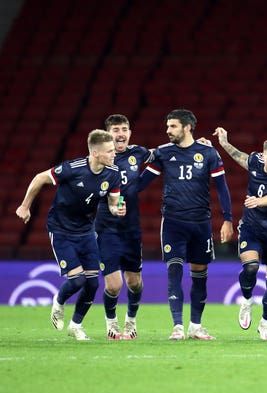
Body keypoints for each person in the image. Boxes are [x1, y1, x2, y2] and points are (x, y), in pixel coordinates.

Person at [16, 130, 125, 340]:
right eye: (109, 151)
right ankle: (58, 301)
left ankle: (76, 325)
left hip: (86, 230)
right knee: (77, 280)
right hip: (61, 230)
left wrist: (117, 209)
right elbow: (39, 178)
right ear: (95, 153)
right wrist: (25, 206)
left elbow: (113, 203)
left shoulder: (113, 173)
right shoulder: (73, 169)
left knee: (93, 282)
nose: (114, 154)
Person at [138, 109, 234, 341]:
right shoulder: (163, 153)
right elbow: (140, 184)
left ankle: (196, 326)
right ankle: (178, 326)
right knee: (174, 271)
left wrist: (228, 219)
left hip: (201, 223)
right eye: (168, 126)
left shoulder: (208, 153)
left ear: (187, 127)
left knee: (200, 274)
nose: (167, 130)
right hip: (172, 222)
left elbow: (222, 187)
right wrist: (116, 194)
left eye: (172, 126)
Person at [213, 127, 267, 341]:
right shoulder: (255, 162)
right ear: (263, 155)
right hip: (251, 227)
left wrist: (258, 201)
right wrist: (223, 142)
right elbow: (237, 156)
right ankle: (247, 300)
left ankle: (265, 323)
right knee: (250, 267)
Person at [94, 114, 152, 340]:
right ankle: (111, 323)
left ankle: (131, 321)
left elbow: (163, 153)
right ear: (108, 134)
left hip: (131, 230)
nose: (120, 134)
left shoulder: (137, 153)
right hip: (106, 229)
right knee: (115, 284)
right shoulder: (99, 160)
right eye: (116, 130)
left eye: (124, 129)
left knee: (135, 283)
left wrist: (196, 143)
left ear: (130, 133)